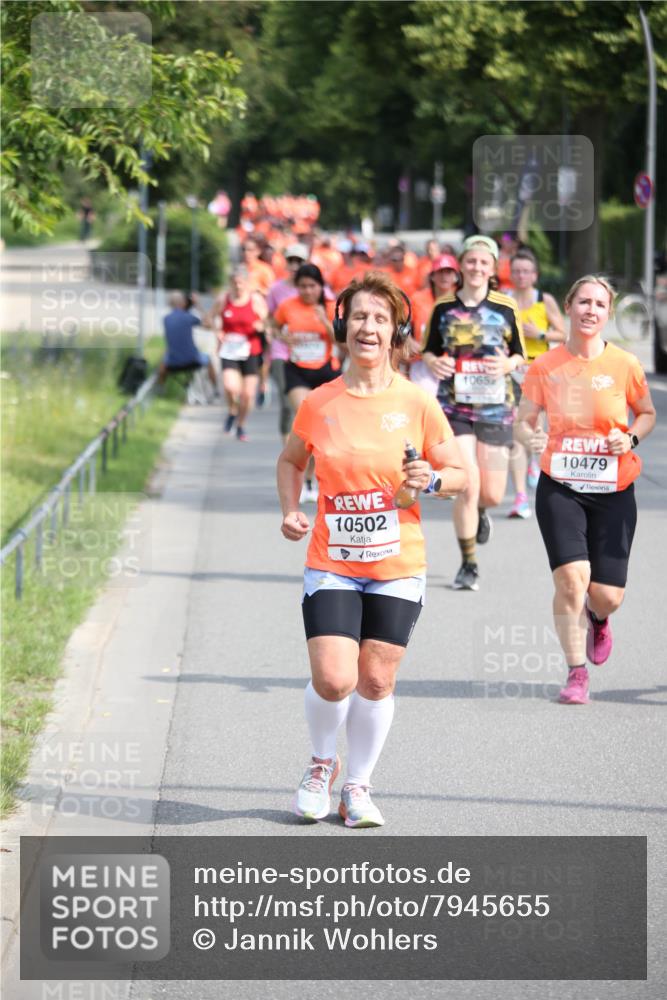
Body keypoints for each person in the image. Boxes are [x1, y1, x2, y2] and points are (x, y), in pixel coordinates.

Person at [276, 271, 467, 827]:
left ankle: (356, 787)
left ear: (396, 331)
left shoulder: (416, 402)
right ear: (343, 326)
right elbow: (291, 461)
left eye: (381, 319)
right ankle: (320, 765)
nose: (369, 327)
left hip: (397, 563)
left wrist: (430, 479)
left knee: (377, 679)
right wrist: (290, 508)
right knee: (335, 678)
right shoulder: (319, 402)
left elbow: (458, 474)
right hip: (333, 560)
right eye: (359, 315)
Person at [516, 276, 655, 705]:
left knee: (606, 594)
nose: (590, 310)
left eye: (599, 304)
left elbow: (646, 413)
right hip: (561, 485)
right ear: (570, 307)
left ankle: (599, 618)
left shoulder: (625, 365)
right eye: (583, 302)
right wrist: (530, 436)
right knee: (572, 580)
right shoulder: (546, 365)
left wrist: (629, 438)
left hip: (614, 486)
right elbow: (523, 419)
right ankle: (576, 672)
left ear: (608, 313)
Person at [422, 235, 526, 591]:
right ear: (461, 264)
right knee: (466, 482)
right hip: (455, 406)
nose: (477, 268)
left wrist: (507, 363)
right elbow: (428, 351)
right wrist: (435, 363)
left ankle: (482, 511)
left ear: (493, 268)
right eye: (471, 261)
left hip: (496, 407)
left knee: (493, 493)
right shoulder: (443, 307)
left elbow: (520, 356)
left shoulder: (506, 306)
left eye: (484, 263)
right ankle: (469, 563)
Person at [506, 248, 566, 519]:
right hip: (512, 370)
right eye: (516, 271)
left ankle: (533, 461)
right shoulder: (503, 300)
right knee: (516, 432)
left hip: (540, 370)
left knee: (535, 426)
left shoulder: (545, 300)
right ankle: (520, 497)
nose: (521, 276)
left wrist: (539, 333)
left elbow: (563, 333)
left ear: (535, 275)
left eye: (526, 271)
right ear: (511, 273)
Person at [272, 263, 338, 503]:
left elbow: (342, 343)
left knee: (323, 428)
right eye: (302, 287)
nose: (308, 291)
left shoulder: (331, 308)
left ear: (321, 287)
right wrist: (281, 336)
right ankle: (298, 476)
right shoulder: (288, 306)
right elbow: (273, 326)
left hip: (325, 371)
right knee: (305, 416)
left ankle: (310, 477)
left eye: (312, 286)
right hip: (297, 370)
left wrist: (324, 321)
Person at [209, 267, 268, 442]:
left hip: (251, 351)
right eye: (235, 283)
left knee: (247, 395)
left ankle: (240, 425)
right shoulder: (223, 299)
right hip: (229, 350)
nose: (238, 286)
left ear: (247, 283)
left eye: (241, 282)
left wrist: (261, 326)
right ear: (230, 283)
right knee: (230, 387)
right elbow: (210, 317)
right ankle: (232, 410)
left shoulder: (255, 300)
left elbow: (268, 322)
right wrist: (217, 331)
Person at [266, 243, 310, 442]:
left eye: (298, 261)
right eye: (290, 261)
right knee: (287, 403)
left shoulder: (315, 289)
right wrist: (279, 335)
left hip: (310, 354)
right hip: (282, 353)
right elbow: (269, 320)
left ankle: (304, 450)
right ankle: (288, 450)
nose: (294, 265)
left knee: (307, 406)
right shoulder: (276, 289)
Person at [158, 291, 217, 388]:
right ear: (183, 303)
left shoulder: (166, 319)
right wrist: (198, 305)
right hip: (192, 360)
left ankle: (160, 389)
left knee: (162, 362)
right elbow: (210, 325)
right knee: (209, 359)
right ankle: (215, 390)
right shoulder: (189, 317)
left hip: (172, 362)